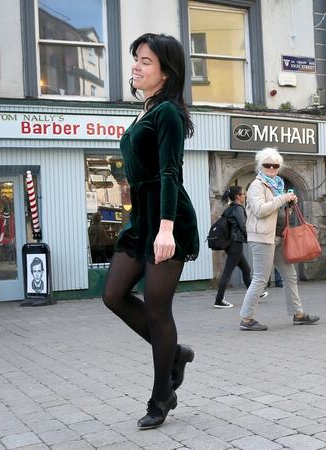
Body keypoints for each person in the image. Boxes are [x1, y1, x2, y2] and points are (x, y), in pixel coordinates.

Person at [102, 33, 198, 430]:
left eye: (146, 61)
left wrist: (166, 230)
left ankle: (162, 396)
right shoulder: (144, 112)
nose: (136, 66)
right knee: (113, 295)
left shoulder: (168, 114)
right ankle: (175, 354)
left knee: (158, 309)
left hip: (167, 217)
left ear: (166, 73)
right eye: (136, 60)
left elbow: (169, 173)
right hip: (140, 217)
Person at [239, 147, 320, 331]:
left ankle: (298, 314)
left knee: (290, 276)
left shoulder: (277, 185)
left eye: (275, 166)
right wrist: (283, 198)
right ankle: (246, 319)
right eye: (267, 165)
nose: (271, 168)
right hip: (262, 238)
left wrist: (289, 206)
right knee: (260, 278)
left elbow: (277, 212)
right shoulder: (256, 185)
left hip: (278, 237)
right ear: (260, 166)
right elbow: (260, 210)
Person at [213, 186, 268, 308]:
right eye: (243, 194)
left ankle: (254, 295)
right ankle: (219, 300)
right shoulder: (237, 209)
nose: (245, 196)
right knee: (228, 272)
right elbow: (243, 226)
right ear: (238, 196)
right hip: (235, 244)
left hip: (231, 244)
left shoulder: (229, 209)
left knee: (246, 269)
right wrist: (252, 238)